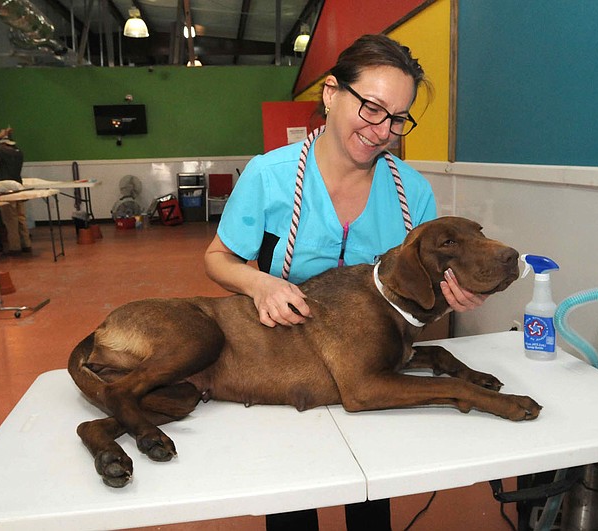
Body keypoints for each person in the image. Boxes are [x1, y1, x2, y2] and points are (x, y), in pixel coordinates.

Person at [205, 34, 486, 531]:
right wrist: (258, 284)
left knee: (369, 494)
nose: (383, 131)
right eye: (373, 108)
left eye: (398, 119)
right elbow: (218, 259)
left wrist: (457, 295)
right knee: (293, 501)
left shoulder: (411, 194)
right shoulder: (268, 176)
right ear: (332, 93)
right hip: (284, 360)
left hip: (371, 365)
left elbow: (421, 295)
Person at [0, 127, 31, 254]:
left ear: (4, 144)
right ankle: (26, 244)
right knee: (21, 217)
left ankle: (15, 247)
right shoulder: (19, 152)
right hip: (18, 187)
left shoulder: (4, 151)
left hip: (7, 189)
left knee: (10, 219)